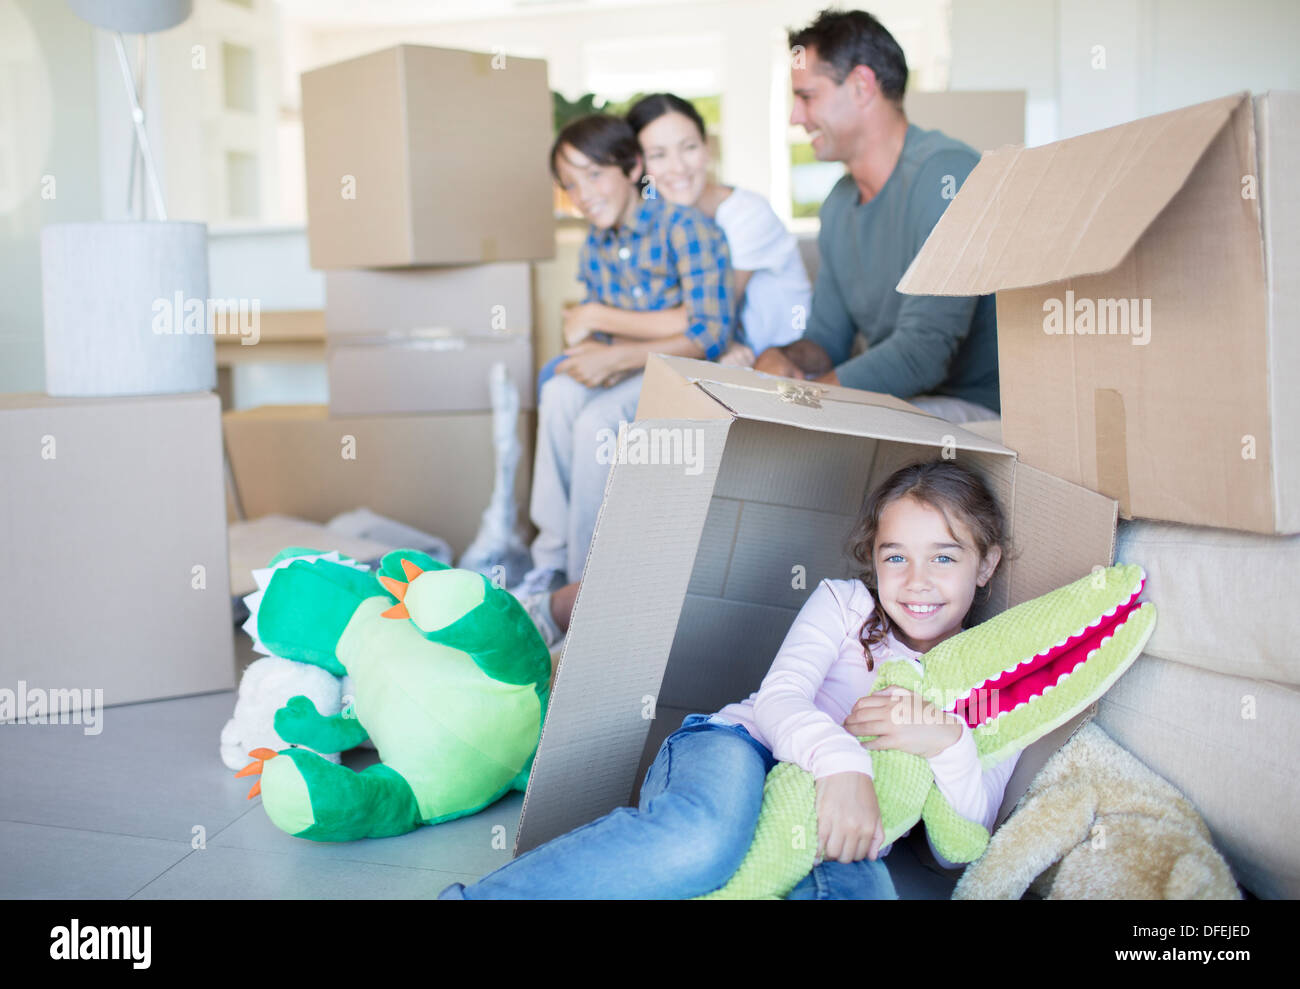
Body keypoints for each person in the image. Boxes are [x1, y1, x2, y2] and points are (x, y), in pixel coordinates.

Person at [439, 459, 1022, 899]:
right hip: (739, 747)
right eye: (896, 557)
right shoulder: (844, 604)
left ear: (987, 564)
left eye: (944, 558)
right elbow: (781, 698)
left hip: (832, 817)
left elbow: (958, 850)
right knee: (705, 841)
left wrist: (947, 741)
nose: (916, 581)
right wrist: (843, 762)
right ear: (873, 559)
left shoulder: (990, 677)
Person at [513, 114, 734, 599]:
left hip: (687, 372)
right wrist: (597, 352)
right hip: (633, 365)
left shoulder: (684, 229)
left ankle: (581, 588)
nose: (583, 194)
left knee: (597, 422)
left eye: (593, 174)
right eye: (570, 184)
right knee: (557, 391)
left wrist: (616, 357)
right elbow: (600, 334)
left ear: (633, 168)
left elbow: (710, 335)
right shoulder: (595, 243)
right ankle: (548, 564)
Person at [754, 8, 1000, 424]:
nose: (795, 117)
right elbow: (827, 339)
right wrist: (783, 358)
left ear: (862, 85)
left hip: (974, 406)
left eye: (807, 96)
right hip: (904, 401)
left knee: (815, 428)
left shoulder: (947, 175)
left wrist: (805, 402)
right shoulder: (837, 206)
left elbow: (925, 353)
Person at [626, 93, 810, 363]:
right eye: (658, 155)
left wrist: (601, 320)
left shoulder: (748, 214)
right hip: (714, 356)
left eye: (689, 147)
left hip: (780, 364)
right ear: (639, 166)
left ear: (706, 148)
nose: (678, 167)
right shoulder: (656, 218)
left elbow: (708, 317)